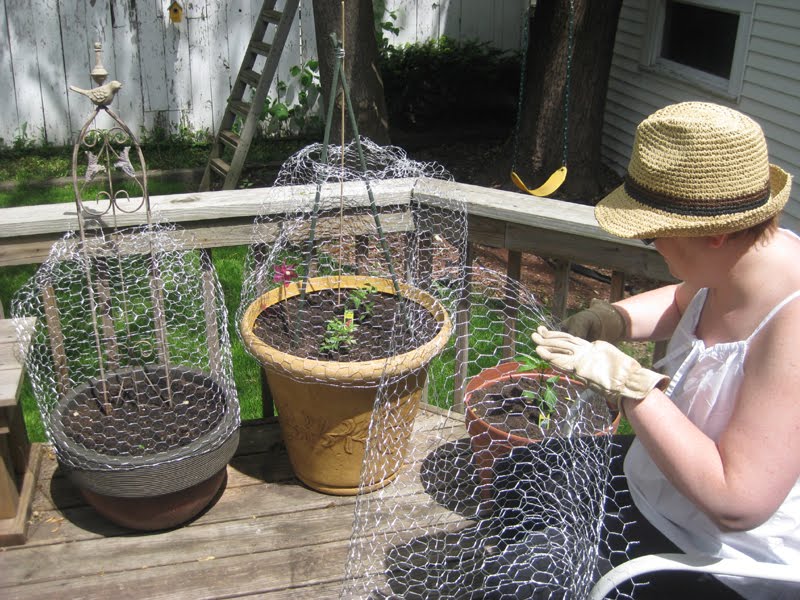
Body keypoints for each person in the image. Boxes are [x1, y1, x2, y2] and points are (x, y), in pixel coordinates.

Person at [533, 102, 799, 599]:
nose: (650, 245)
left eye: (654, 233)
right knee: (517, 479)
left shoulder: (793, 326)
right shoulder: (741, 261)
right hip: (659, 480)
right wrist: (612, 320)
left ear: (715, 233)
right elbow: (683, 300)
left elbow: (737, 502)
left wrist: (631, 387)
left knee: (528, 575)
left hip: (716, 553)